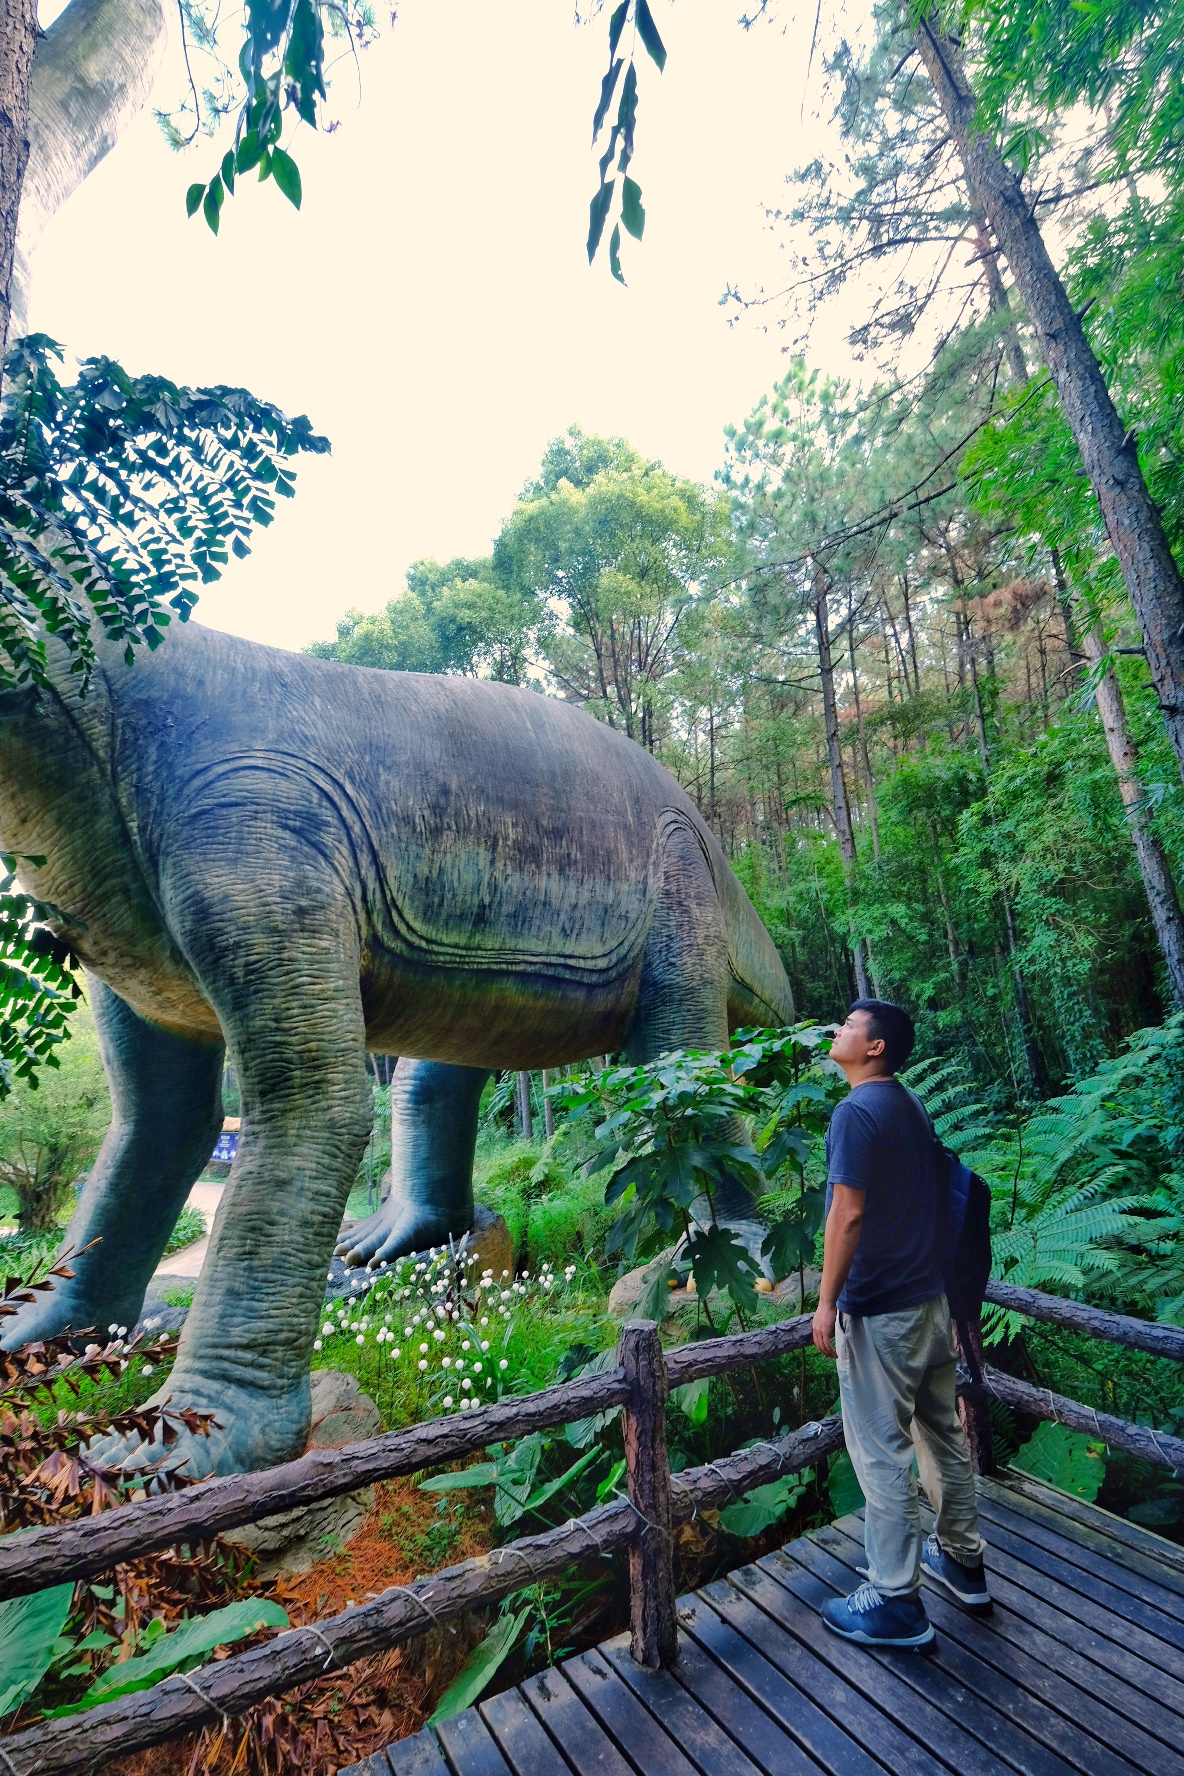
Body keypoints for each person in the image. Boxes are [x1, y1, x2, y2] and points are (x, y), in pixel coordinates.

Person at [813, 998, 991, 1648]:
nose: (838, 1030)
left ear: (876, 1047)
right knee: (942, 1433)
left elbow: (848, 1214)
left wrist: (826, 1301)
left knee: (880, 1451)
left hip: (881, 1309)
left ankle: (895, 1600)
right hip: (928, 1302)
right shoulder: (909, 1104)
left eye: (849, 1025)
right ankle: (964, 1564)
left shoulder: (855, 1112)